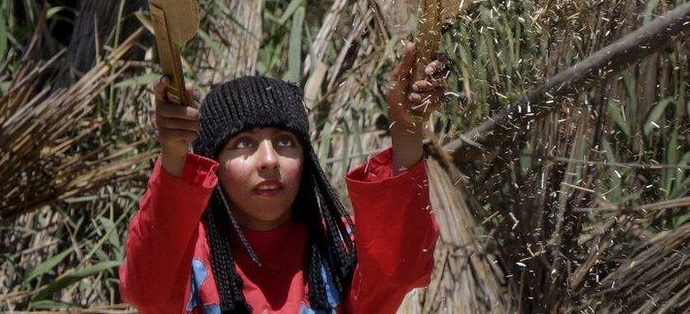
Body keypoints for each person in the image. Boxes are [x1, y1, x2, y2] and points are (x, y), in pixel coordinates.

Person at [119, 41, 446, 313]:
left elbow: (400, 269)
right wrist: (175, 154)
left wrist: (406, 131)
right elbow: (146, 290)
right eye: (242, 143)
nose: (270, 160)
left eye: (285, 141)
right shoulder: (188, 254)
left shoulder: (339, 246)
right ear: (213, 164)